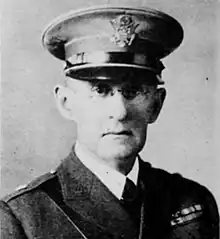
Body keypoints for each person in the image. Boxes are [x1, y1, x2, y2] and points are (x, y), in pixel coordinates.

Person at [0, 6, 219, 239]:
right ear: (66, 103)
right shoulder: (22, 217)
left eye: (133, 91)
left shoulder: (193, 200)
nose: (120, 111)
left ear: (156, 105)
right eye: (100, 90)